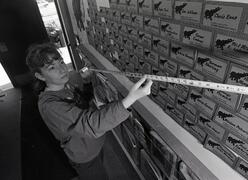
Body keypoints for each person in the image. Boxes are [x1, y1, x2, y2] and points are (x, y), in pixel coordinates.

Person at [25, 42, 153, 180]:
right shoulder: (50, 105)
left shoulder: (64, 85)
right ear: (40, 76)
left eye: (61, 62)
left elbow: (82, 105)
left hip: (93, 145)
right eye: (52, 68)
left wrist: (86, 83)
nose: (62, 69)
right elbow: (89, 124)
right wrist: (131, 98)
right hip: (84, 157)